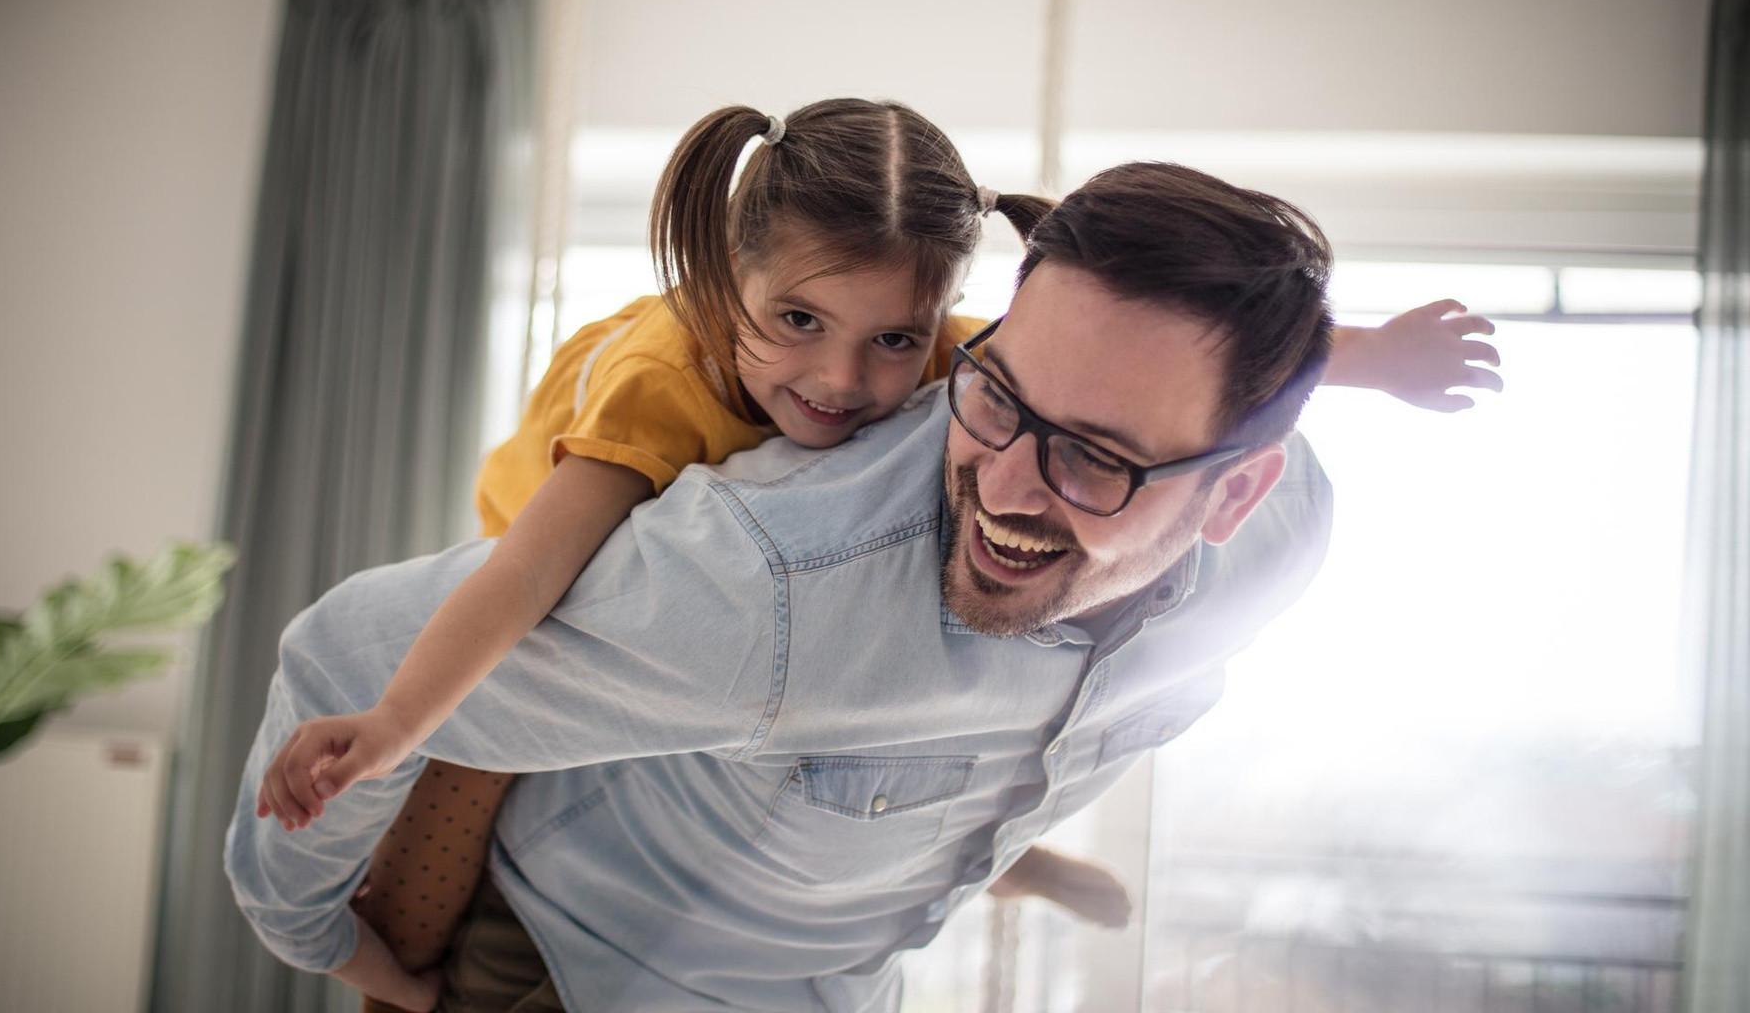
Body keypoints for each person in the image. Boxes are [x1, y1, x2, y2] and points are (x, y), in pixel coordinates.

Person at [234, 139, 1493, 1008]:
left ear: (1237, 492)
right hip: (591, 974)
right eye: (996, 397)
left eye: (1097, 459)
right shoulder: (765, 583)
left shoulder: (1284, 540)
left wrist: (1375, 355)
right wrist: (312, 934)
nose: (1005, 486)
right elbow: (350, 657)